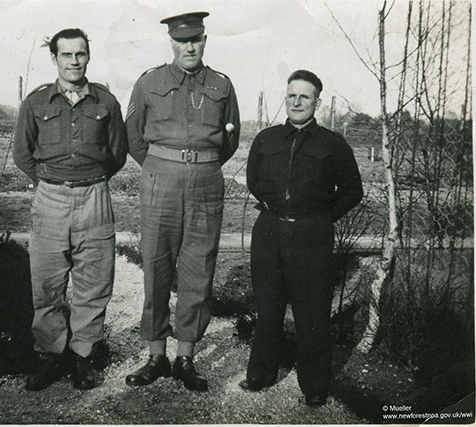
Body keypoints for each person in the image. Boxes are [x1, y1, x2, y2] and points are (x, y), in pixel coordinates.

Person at [124, 11, 240, 392]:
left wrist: (199, 166)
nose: (189, 47)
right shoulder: (148, 82)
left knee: (198, 268)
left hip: (207, 181)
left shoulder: (223, 84)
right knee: (156, 264)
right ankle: (156, 354)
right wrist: (162, 167)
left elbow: (230, 141)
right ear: (171, 42)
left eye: (196, 40)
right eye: (182, 41)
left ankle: (185, 356)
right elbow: (134, 137)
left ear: (205, 41)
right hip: (160, 179)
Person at [13, 28, 127, 391]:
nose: (74, 61)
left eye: (80, 54)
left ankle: (82, 359)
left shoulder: (106, 103)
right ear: (55, 59)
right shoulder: (35, 102)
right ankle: (50, 357)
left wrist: (88, 179)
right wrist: (49, 181)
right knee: (46, 284)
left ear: (88, 57)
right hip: (50, 200)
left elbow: (117, 154)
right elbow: (22, 153)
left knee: (93, 284)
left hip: (94, 197)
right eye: (66, 55)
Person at [241, 70, 363, 406]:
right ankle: (262, 373)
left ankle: (314, 384)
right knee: (268, 306)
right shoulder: (266, 139)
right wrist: (274, 205)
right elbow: (253, 180)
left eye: (304, 97)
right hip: (269, 230)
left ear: (317, 103)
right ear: (286, 98)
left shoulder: (333, 144)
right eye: (292, 95)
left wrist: (322, 218)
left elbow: (353, 191)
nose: (296, 102)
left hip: (311, 234)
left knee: (312, 312)